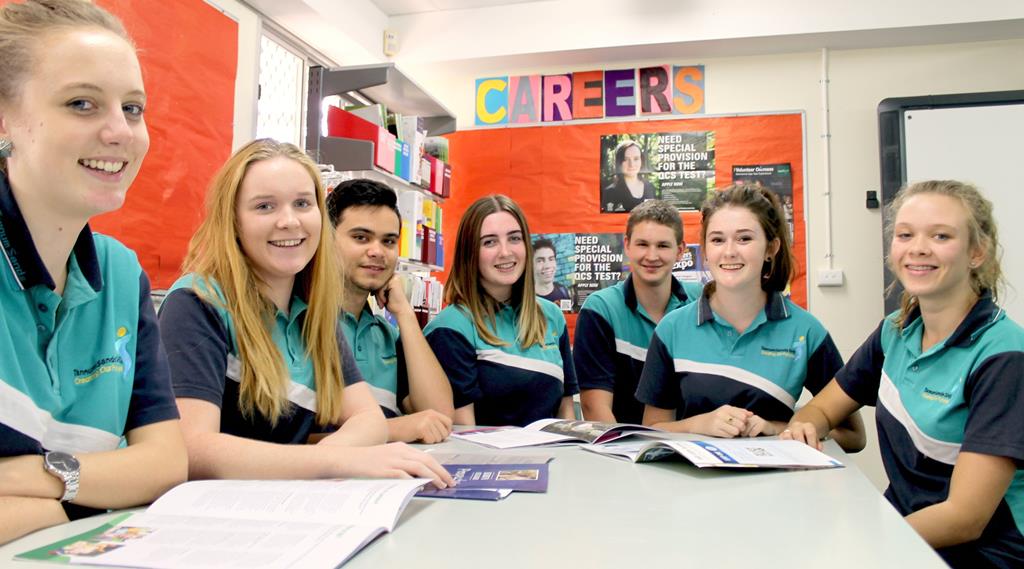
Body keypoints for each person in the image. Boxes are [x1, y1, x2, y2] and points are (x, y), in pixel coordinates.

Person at [158, 139, 453, 487]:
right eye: (265, 206)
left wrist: (329, 459)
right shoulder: (197, 302)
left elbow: (368, 418)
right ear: (233, 221)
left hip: (290, 502)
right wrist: (332, 461)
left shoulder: (314, 314)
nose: (289, 221)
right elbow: (191, 448)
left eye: (302, 203)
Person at [0, 0, 187, 543]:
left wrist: (42, 480)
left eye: (133, 108)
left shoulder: (120, 272)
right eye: (81, 103)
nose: (120, 131)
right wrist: (83, 502)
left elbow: (165, 462)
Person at [783, 180, 1024, 567]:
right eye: (905, 234)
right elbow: (821, 410)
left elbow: (965, 518)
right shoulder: (896, 330)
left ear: (977, 252)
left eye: (941, 236)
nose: (918, 248)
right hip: (904, 530)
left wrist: (863, 540)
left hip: (982, 553)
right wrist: (803, 428)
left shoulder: (1003, 355)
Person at [636, 184, 865, 451]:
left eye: (744, 239)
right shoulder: (672, 329)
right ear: (705, 251)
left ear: (771, 248)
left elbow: (853, 436)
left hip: (778, 477)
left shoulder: (806, 331)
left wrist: (778, 430)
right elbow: (652, 430)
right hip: (690, 477)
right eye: (717, 240)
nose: (729, 251)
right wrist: (700, 424)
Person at [424, 195, 578, 427]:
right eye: (489, 242)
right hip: (480, 452)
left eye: (514, 238)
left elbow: (566, 411)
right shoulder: (450, 328)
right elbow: (463, 430)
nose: (505, 252)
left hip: (553, 450)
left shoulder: (551, 315)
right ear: (469, 252)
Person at [326, 178, 454, 444]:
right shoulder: (299, 323)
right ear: (326, 240)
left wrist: (405, 315)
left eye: (388, 241)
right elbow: (284, 443)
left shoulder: (385, 334)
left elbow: (440, 418)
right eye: (360, 238)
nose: (377, 251)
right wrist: (391, 430)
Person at [574, 200, 702, 424]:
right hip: (623, 443)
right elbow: (594, 408)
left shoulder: (701, 302)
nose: (651, 256)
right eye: (642, 244)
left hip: (696, 440)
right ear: (627, 245)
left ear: (680, 251)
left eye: (663, 246)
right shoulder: (600, 309)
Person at [601, 139, 656, 213]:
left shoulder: (650, 187)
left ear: (641, 161)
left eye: (636, 159)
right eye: (626, 159)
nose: (631, 164)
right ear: (619, 162)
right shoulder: (610, 192)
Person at [532, 238, 571, 306]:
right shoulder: (525, 297)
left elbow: (566, 312)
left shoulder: (563, 291)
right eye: (540, 261)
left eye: (551, 259)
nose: (547, 266)